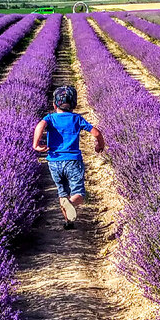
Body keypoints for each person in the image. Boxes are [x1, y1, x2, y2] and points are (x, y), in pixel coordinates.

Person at [32, 85, 105, 229]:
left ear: (54, 104)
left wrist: (36, 144)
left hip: (54, 162)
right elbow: (96, 133)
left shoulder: (50, 118)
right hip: (73, 161)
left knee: (62, 192)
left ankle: (68, 221)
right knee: (78, 193)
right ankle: (71, 204)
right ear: (74, 104)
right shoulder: (76, 118)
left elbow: (40, 125)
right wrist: (100, 145)